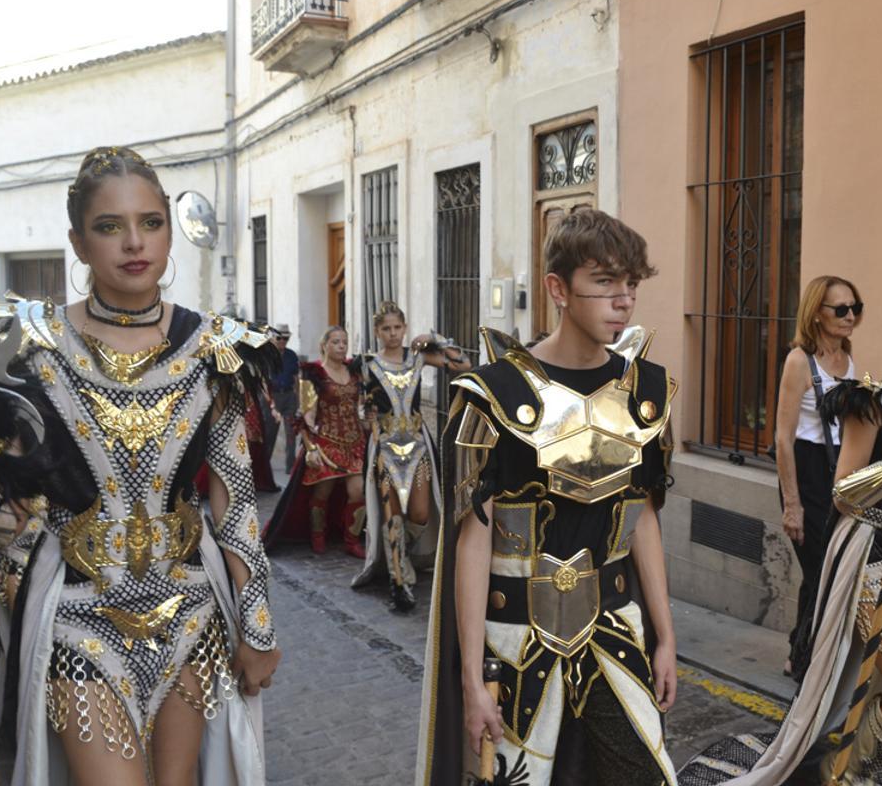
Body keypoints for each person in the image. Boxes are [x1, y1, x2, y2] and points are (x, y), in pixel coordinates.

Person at [0, 146, 280, 784]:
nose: (134, 242)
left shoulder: (215, 348)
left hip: (191, 615)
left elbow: (235, 502)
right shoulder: (26, 349)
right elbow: (3, 499)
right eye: (110, 227)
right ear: (78, 243)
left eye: (151, 222)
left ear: (169, 231)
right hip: (77, 619)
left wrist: (258, 627)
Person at [679, 289, 882, 786]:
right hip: (875, 567)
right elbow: (842, 494)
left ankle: (848, 772)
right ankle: (839, 774)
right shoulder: (872, 404)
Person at [416, 209, 680, 785]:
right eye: (605, 282)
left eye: (631, 283)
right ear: (557, 289)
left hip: (614, 630)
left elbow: (644, 521)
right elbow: (474, 539)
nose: (623, 300)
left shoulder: (648, 393)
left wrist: (665, 636)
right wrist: (468, 679)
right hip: (513, 645)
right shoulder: (493, 395)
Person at [349, 301, 468, 612]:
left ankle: (408, 556)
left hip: (418, 447)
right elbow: (363, 409)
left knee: (419, 513)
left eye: (397, 328)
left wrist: (437, 340)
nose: (392, 334)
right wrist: (370, 427)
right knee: (392, 517)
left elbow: (461, 365)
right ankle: (398, 582)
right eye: (386, 329)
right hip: (385, 447)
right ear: (377, 331)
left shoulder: (418, 358)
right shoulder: (367, 365)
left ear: (404, 328)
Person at [774, 275, 861, 682]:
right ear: (817, 313)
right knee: (822, 570)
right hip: (807, 472)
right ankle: (809, 661)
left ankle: (800, 652)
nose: (849, 316)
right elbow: (783, 439)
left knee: (826, 569)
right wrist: (792, 505)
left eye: (854, 308)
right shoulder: (799, 361)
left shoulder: (846, 356)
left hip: (839, 472)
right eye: (840, 309)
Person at [262, 326, 367, 556]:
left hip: (354, 441)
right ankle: (317, 535)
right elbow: (307, 413)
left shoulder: (355, 371)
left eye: (344, 342)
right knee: (323, 492)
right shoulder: (313, 373)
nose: (341, 346)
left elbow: (361, 403)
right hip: (327, 441)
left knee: (358, 490)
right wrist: (311, 445)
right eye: (336, 342)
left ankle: (352, 541)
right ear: (325, 345)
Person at [268, 324, 299, 474]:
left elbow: (296, 378)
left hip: (288, 396)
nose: (282, 341)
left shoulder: (291, 356)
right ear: (273, 338)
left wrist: (297, 398)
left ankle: (291, 467)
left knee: (291, 433)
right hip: (272, 396)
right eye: (279, 338)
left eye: (285, 338)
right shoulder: (266, 355)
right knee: (269, 433)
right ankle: (265, 469)